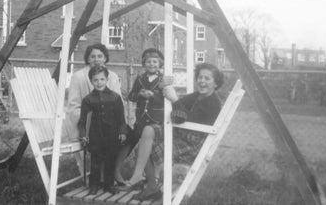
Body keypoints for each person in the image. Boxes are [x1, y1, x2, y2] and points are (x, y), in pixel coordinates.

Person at [123, 62, 224, 201]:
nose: (202, 81)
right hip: (181, 133)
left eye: (207, 78)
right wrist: (160, 90)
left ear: (216, 83)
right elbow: (176, 110)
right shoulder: (196, 96)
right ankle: (139, 176)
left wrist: (175, 100)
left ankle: (152, 186)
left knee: (145, 146)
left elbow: (185, 118)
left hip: (192, 142)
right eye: (200, 77)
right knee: (148, 131)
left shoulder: (213, 103)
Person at [114, 48, 167, 196]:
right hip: (141, 121)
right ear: (144, 64)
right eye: (148, 61)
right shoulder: (139, 79)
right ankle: (116, 171)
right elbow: (131, 96)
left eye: (155, 62)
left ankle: (149, 177)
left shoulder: (164, 79)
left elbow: (168, 99)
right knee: (130, 138)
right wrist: (139, 94)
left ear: (160, 63)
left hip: (157, 121)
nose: (152, 64)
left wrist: (153, 96)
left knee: (148, 139)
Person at [78, 66, 127, 195]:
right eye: (95, 80)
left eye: (102, 79)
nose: (99, 82)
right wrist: (84, 135)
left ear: (107, 79)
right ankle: (94, 185)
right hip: (95, 136)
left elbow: (121, 118)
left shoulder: (115, 97)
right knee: (95, 161)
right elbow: (83, 121)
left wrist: (122, 132)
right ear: (91, 81)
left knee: (110, 160)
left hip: (112, 135)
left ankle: (109, 185)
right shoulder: (87, 100)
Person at [66, 43, 122, 140]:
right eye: (92, 57)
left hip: (110, 121)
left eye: (100, 56)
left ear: (105, 58)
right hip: (87, 121)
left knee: (128, 135)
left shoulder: (113, 76)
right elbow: (73, 106)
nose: (96, 60)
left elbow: (119, 103)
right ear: (88, 59)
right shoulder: (78, 77)